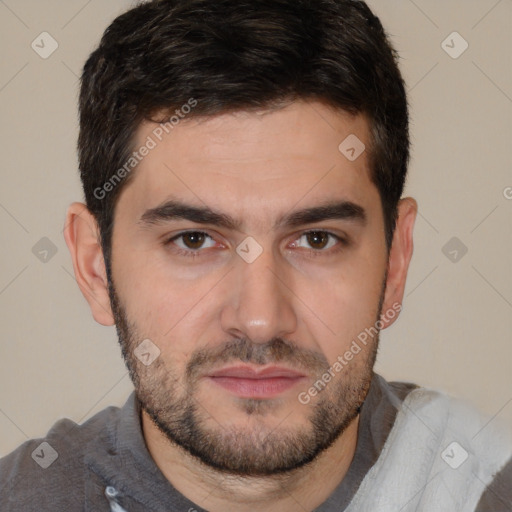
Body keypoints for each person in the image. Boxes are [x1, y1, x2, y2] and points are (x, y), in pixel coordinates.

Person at [1, 0, 510, 510]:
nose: (261, 320)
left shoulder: (486, 485)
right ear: (96, 268)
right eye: (194, 240)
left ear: (395, 261)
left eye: (317, 239)